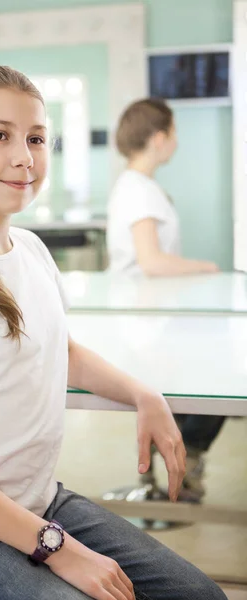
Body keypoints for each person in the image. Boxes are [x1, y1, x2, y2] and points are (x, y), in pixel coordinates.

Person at [0, 65, 225, 600]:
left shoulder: (31, 251)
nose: (24, 156)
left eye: (36, 139)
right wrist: (63, 549)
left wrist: (141, 395)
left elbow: (63, 352)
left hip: (32, 504)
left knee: (199, 594)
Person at [107, 98, 226, 502]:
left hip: (148, 318)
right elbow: (152, 261)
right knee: (224, 367)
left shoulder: (135, 185)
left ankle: (184, 455)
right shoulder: (140, 191)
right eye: (174, 133)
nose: (177, 141)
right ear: (159, 138)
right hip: (147, 325)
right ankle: (187, 453)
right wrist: (205, 267)